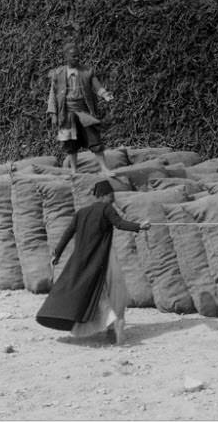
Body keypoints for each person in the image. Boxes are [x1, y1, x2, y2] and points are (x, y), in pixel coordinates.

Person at [36, 181, 149, 344]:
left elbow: (67, 233)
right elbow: (120, 224)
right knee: (111, 291)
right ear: (104, 195)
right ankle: (113, 324)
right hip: (103, 258)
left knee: (89, 291)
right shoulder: (106, 209)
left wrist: (57, 254)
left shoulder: (81, 213)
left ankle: (109, 325)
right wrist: (140, 226)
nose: (113, 198)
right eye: (111, 195)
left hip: (82, 259)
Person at [47, 42, 115, 175]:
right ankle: (74, 170)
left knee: (94, 138)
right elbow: (52, 95)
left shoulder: (86, 71)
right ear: (66, 57)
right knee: (70, 143)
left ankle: (104, 168)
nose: (76, 59)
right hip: (66, 113)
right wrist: (53, 114)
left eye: (78, 56)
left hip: (83, 111)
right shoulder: (58, 74)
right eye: (73, 56)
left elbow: (97, 86)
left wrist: (105, 94)